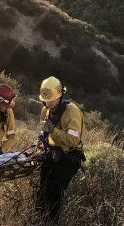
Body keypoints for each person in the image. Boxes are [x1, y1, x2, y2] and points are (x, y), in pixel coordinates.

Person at [35, 76, 86, 225]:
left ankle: (52, 221)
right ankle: (40, 214)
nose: (48, 103)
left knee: (56, 189)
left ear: (60, 95)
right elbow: (45, 130)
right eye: (45, 100)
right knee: (44, 182)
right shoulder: (46, 110)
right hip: (54, 152)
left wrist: (53, 131)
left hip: (70, 156)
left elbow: (73, 140)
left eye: (51, 99)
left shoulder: (72, 112)